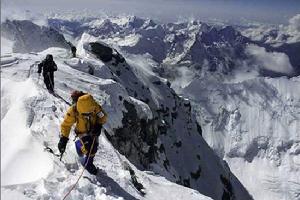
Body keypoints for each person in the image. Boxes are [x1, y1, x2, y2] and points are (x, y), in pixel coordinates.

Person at [58, 91, 107, 175]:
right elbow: (66, 125)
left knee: (93, 147)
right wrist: (64, 138)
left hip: (94, 130)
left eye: (89, 113)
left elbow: (103, 117)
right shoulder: (74, 110)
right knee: (89, 148)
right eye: (84, 114)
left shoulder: (95, 106)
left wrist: (99, 125)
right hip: (82, 132)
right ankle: (80, 148)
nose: (87, 115)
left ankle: (88, 164)